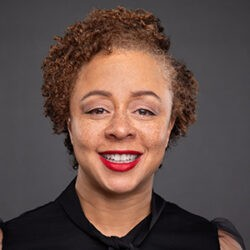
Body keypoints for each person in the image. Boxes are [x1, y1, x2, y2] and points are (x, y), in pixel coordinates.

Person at [0, 6, 245, 249]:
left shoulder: (214, 245)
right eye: (98, 110)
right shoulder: (12, 243)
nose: (120, 129)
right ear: (69, 122)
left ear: (170, 125)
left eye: (144, 111)